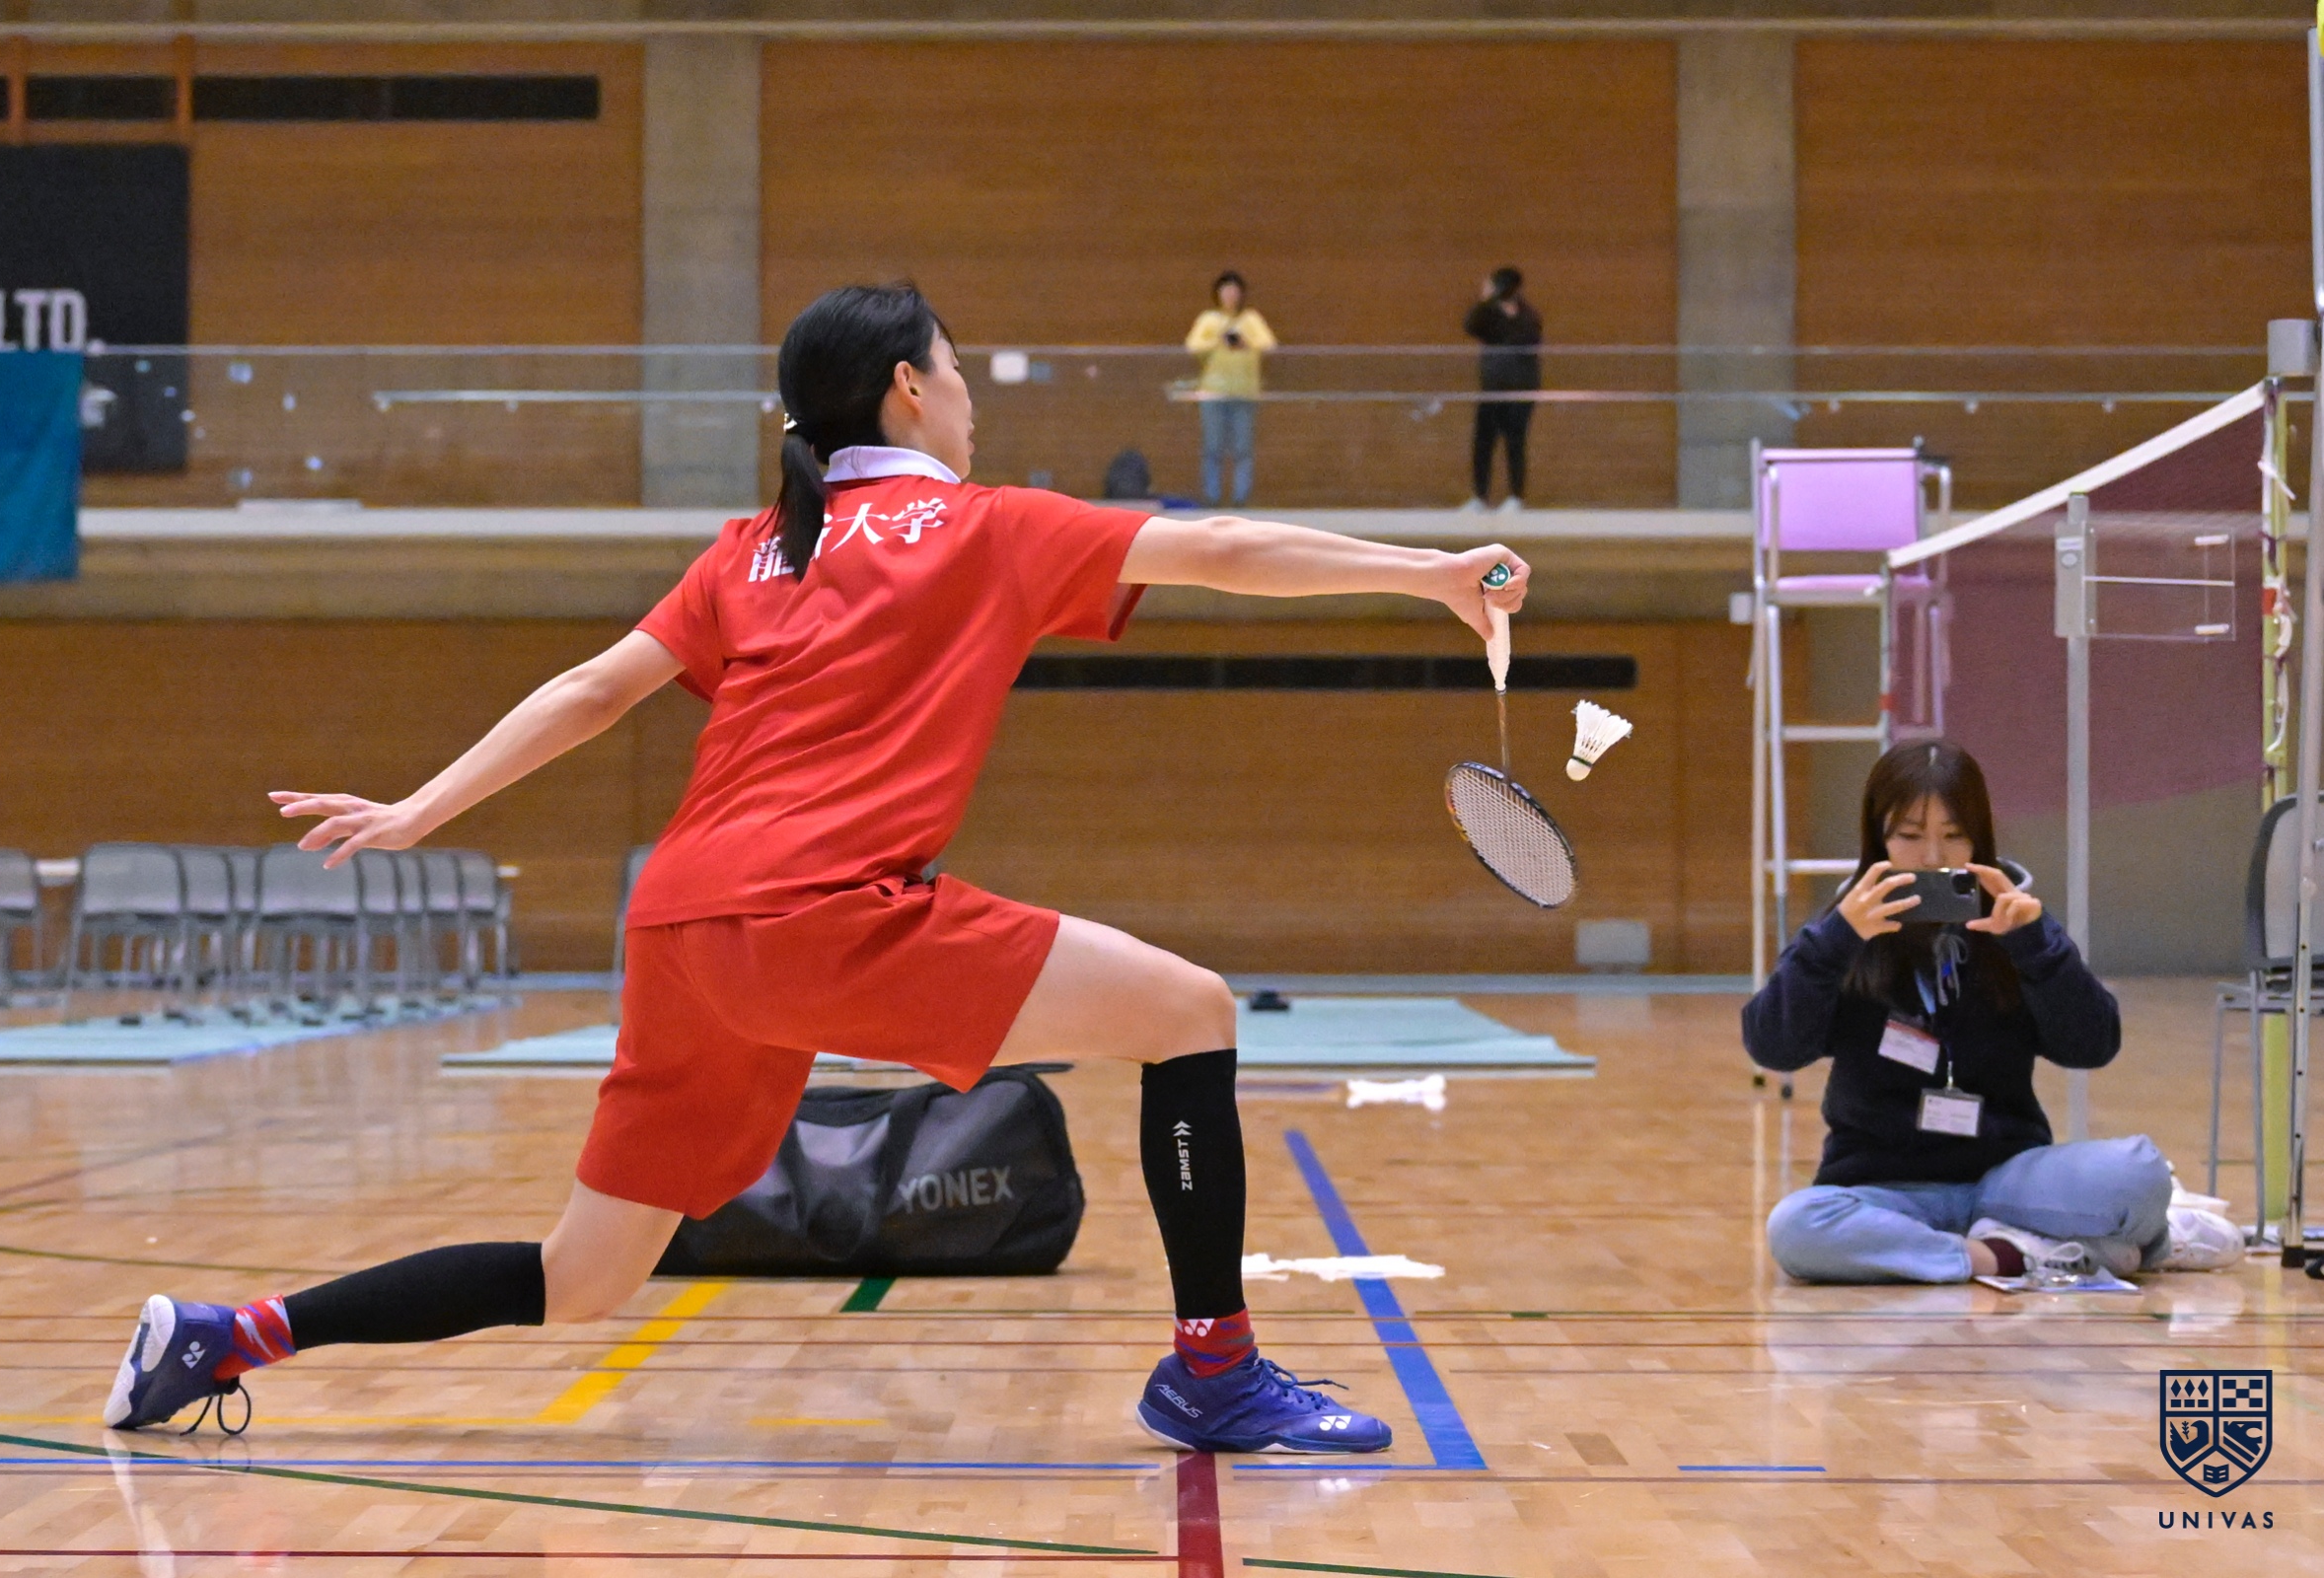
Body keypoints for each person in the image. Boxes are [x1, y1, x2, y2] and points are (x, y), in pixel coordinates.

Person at [103, 282, 1531, 1454]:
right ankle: (1212, 1373)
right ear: (908, 387)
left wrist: (424, 807)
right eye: (957, 373)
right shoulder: (985, 523)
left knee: (582, 1276)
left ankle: (227, 1335)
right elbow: (1219, 546)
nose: (971, 401)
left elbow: (594, 691)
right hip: (820, 912)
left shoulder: (752, 550)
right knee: (1191, 1012)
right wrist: (1428, 573)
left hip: (678, 927)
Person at [1746, 739, 2240, 1285]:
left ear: (1980, 838)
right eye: (1909, 835)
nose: (1932, 857)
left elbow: (2093, 1045)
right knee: (1796, 1227)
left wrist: (2038, 946)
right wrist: (1835, 941)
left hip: (2009, 1184)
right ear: (1877, 839)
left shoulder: (2015, 925)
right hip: (1881, 1187)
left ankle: (2072, 1239)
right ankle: (2015, 1256)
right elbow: (1774, 1047)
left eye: (1954, 835)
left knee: (2140, 1173)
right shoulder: (1840, 935)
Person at [1184, 270, 1274, 507]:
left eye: (1235, 291)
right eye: (1226, 291)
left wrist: (1245, 341)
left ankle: (1240, 499)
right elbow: (1193, 345)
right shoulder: (1209, 319)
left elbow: (1268, 344)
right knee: (1212, 448)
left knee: (1243, 449)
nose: (1230, 295)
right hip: (1213, 393)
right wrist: (1218, 339)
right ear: (1218, 294)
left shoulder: (1251, 319)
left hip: (1245, 393)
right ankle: (1212, 498)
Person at [1462, 267, 1541, 511]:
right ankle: (1480, 497)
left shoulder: (1528, 316)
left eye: (1490, 286)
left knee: (1515, 441)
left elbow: (1524, 338)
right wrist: (1486, 301)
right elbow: (1470, 325)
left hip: (1520, 390)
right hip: (1492, 389)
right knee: (1483, 442)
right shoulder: (1488, 313)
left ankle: (1516, 497)